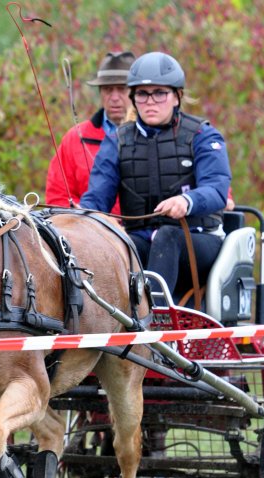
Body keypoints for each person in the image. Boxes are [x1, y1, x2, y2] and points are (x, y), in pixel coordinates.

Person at [80, 51, 232, 297]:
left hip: (197, 241)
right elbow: (96, 199)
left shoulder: (203, 136)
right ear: (134, 98)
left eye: (160, 93)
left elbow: (217, 190)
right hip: (140, 240)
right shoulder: (116, 141)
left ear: (177, 97)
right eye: (142, 94)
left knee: (167, 236)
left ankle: (154, 318)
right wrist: (82, 218)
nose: (150, 102)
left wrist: (186, 201)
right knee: (108, 244)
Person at [45, 51, 135, 213]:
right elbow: (58, 197)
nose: (114, 97)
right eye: (107, 89)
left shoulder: (152, 135)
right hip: (89, 234)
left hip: (142, 235)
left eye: (122, 89)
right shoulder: (75, 139)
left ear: (136, 92)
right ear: (100, 92)